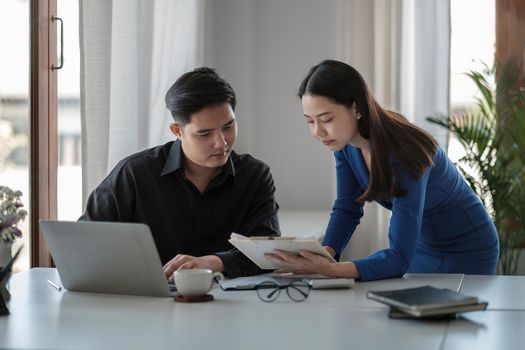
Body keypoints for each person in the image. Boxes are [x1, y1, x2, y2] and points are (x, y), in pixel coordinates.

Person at [265, 59, 499, 281]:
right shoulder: (345, 146)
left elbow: (398, 258)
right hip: (421, 245)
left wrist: (331, 269)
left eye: (326, 119)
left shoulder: (404, 152)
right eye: (309, 121)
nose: (318, 131)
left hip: (466, 249)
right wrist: (323, 255)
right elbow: (347, 209)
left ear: (355, 108)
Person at [80, 67, 280, 279]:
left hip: (232, 304)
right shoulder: (135, 174)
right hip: (145, 303)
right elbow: (86, 242)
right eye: (205, 133)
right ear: (177, 131)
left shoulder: (254, 176)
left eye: (228, 126)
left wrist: (212, 262)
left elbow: (269, 253)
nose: (221, 143)